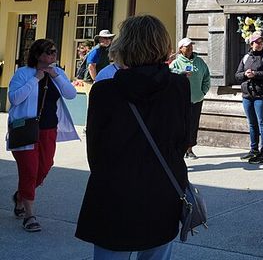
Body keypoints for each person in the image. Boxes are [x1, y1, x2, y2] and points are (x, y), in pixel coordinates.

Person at [76, 15, 191, 259]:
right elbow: (184, 138)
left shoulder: (105, 91)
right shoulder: (179, 86)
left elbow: (95, 151)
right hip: (163, 186)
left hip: (116, 189)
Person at [8, 39, 79, 232]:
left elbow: (71, 94)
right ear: (37, 54)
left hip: (48, 129)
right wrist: (35, 79)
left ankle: (21, 196)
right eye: (48, 52)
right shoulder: (23, 74)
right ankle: (30, 216)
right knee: (29, 170)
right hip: (25, 130)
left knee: (45, 167)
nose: (52, 56)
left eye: (54, 52)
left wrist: (56, 76)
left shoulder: (58, 74)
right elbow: (14, 98)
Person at [235, 31, 263, 164]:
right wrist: (246, 75)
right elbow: (237, 75)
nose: (259, 44)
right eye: (257, 42)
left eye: (261, 42)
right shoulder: (246, 57)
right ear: (251, 44)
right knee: (252, 124)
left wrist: (255, 74)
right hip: (247, 95)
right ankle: (254, 150)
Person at [169, 37, 211, 159]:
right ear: (180, 49)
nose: (190, 49)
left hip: (196, 99)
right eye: (187, 47)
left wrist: (203, 92)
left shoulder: (200, 62)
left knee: (193, 125)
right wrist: (180, 73)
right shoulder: (176, 63)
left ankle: (190, 149)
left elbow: (207, 78)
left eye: (191, 46)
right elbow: (169, 76)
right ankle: (179, 149)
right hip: (180, 101)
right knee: (180, 125)